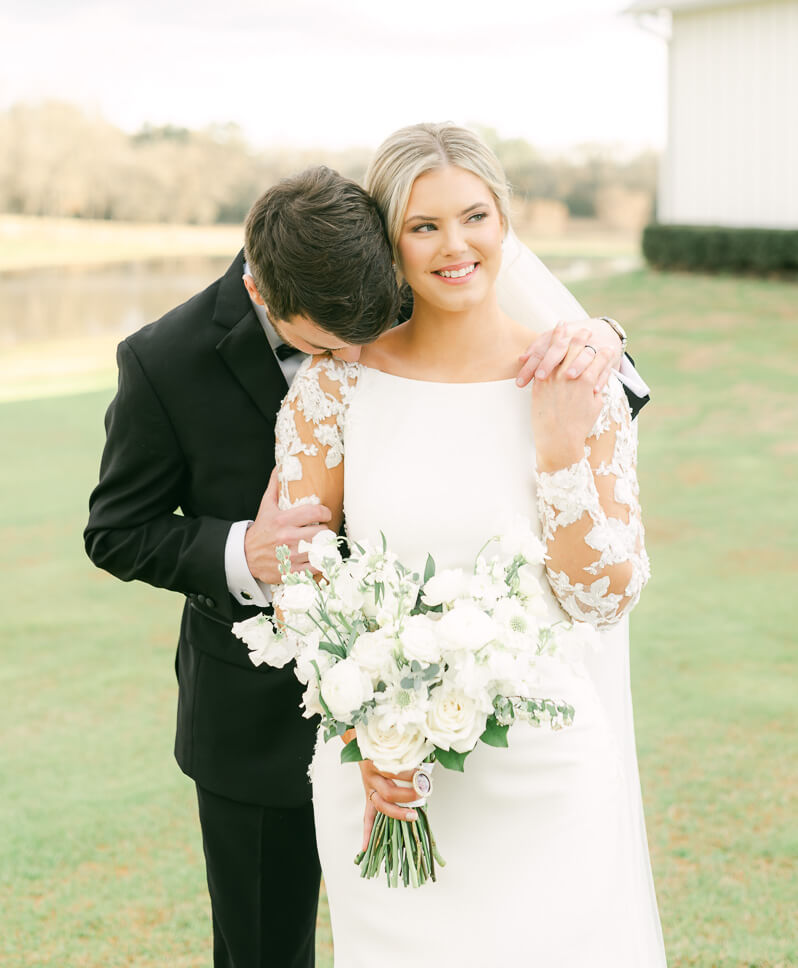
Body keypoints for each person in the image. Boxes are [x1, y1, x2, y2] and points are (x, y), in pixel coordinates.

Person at [84, 161, 648, 968]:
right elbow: (116, 529)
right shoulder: (160, 358)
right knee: (263, 951)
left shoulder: (355, 252)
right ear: (262, 297)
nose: (352, 354)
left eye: (366, 329)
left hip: (469, 714)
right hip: (256, 715)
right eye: (325, 342)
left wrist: (603, 333)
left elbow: (487, 286)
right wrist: (244, 550)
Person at [275, 124, 666, 967]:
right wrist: (367, 735)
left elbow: (604, 597)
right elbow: (296, 585)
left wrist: (560, 452)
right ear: (390, 241)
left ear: (505, 222)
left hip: (545, 771)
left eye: (475, 216)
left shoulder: (575, 377)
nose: (456, 246)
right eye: (423, 226)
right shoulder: (337, 386)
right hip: (385, 783)